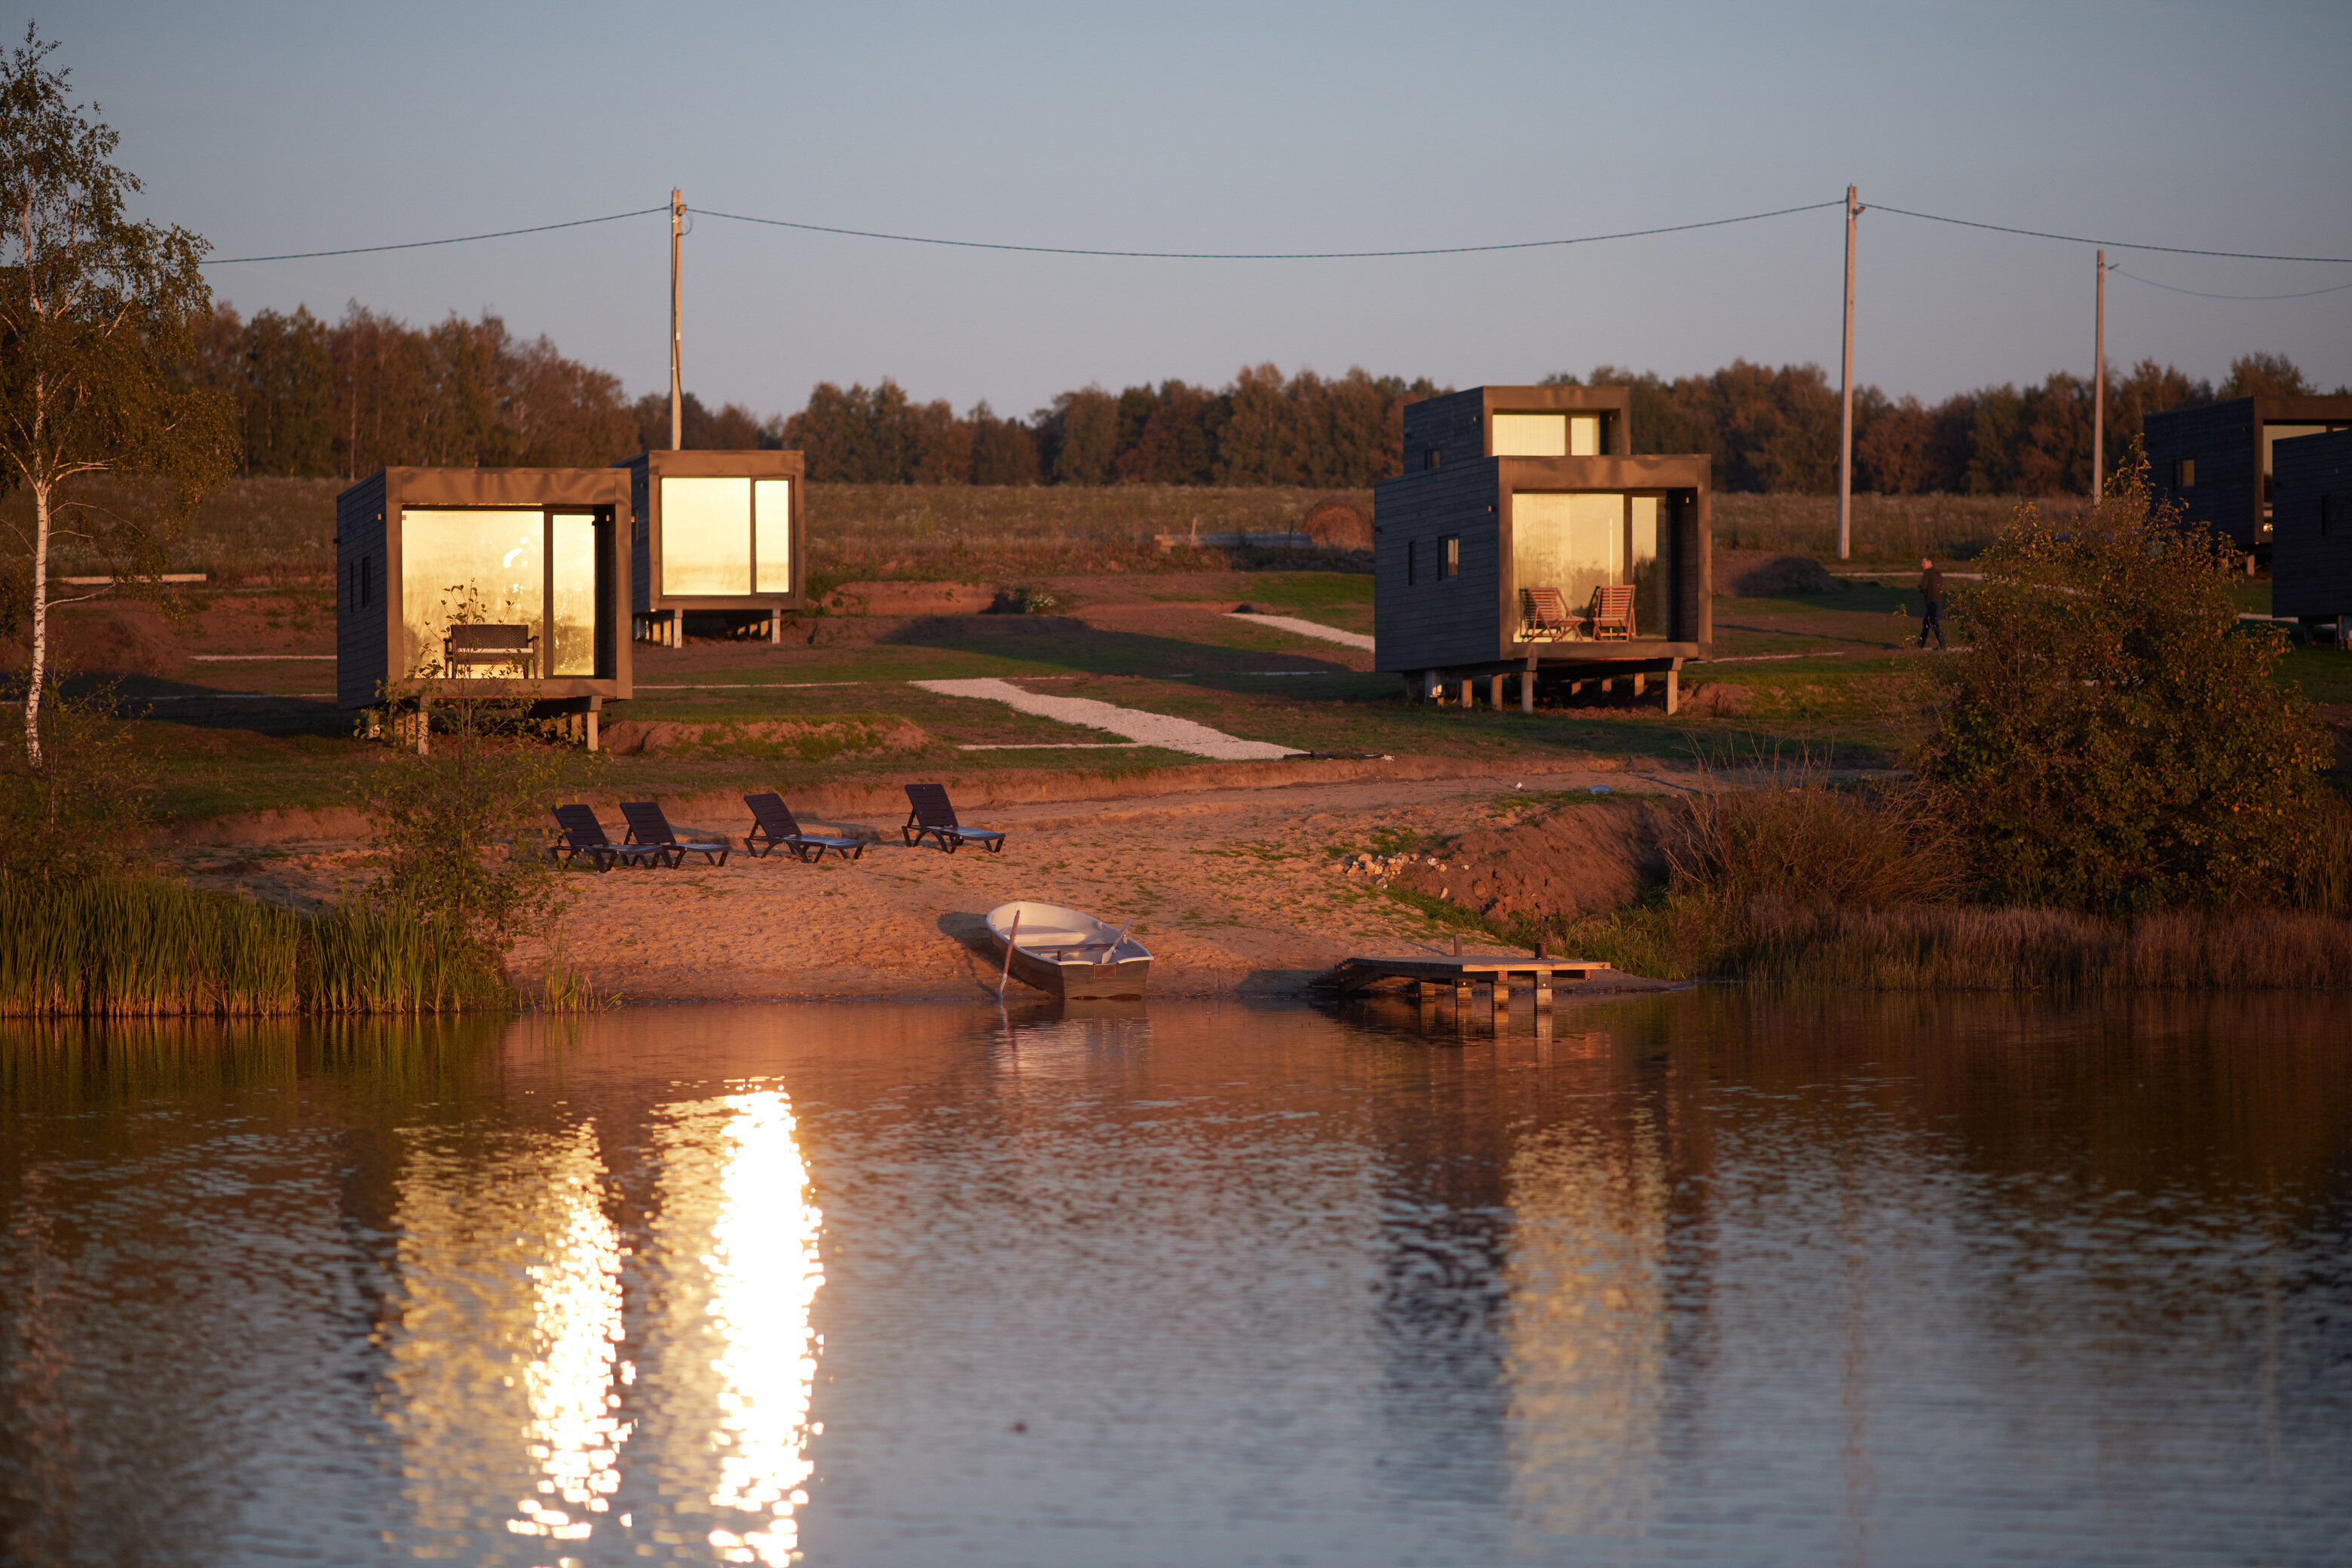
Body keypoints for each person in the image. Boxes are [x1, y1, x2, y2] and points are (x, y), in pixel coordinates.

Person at [1917, 556, 1946, 651]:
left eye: (1923, 563)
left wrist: (1920, 588)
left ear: (1930, 563)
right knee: (1927, 622)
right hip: (1938, 600)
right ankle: (1920, 644)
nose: (1922, 565)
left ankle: (1942, 644)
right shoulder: (1938, 573)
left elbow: (1924, 587)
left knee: (1933, 623)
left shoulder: (1927, 573)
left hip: (1931, 601)